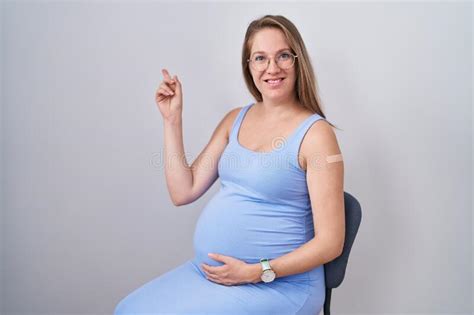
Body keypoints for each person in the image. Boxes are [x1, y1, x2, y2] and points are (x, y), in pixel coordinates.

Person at [114, 14, 345, 315]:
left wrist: (256, 271)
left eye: (283, 56)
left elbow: (331, 243)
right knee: (128, 310)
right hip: (213, 276)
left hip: (280, 286)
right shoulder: (235, 119)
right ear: (248, 66)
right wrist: (172, 121)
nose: (272, 68)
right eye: (260, 58)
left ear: (298, 61)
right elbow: (183, 191)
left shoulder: (317, 135)